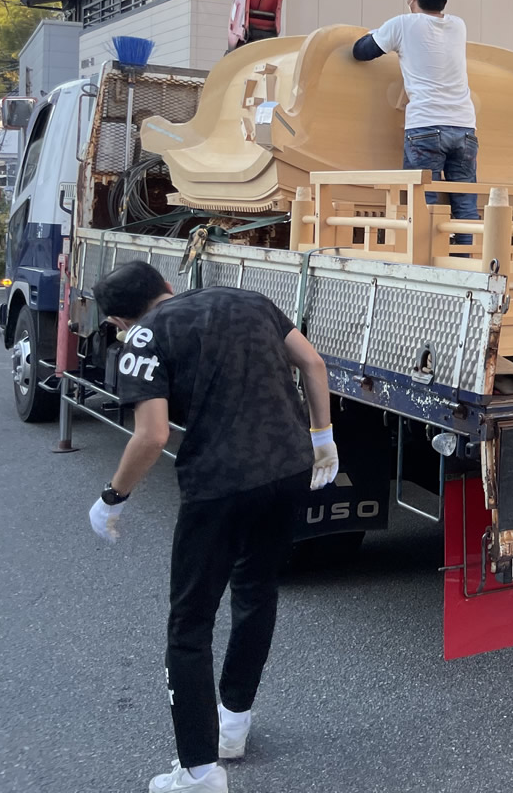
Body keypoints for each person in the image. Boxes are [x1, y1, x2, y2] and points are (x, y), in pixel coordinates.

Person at [87, 261, 339, 792]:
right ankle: (233, 725)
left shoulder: (143, 337)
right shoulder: (246, 299)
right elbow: (313, 364)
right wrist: (322, 435)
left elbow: (151, 436)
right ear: (168, 287)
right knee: (256, 592)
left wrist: (114, 497)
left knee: (190, 623)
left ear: (117, 319)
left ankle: (200, 772)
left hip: (221, 484)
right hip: (290, 467)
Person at [352, 0, 478, 243]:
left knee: (423, 203)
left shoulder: (401, 25)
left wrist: (391, 26)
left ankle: (425, 268)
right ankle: (468, 263)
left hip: (425, 127)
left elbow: (361, 51)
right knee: (466, 204)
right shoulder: (459, 26)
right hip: (464, 128)